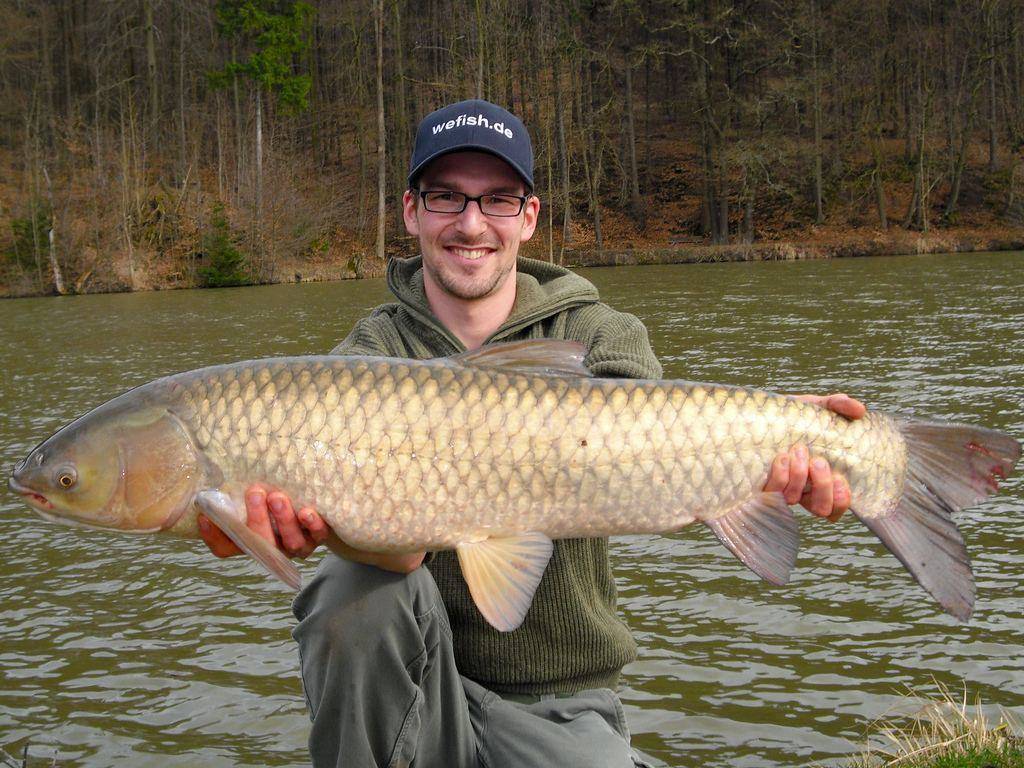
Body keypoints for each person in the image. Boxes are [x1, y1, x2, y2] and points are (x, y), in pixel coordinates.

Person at [199, 99, 866, 767]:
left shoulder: (602, 335)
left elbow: (662, 444)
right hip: (410, 690)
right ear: (410, 211)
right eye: (445, 198)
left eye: (496, 200)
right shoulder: (366, 359)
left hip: (560, 702)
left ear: (529, 216)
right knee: (348, 593)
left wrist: (783, 434)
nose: (470, 224)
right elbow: (398, 559)